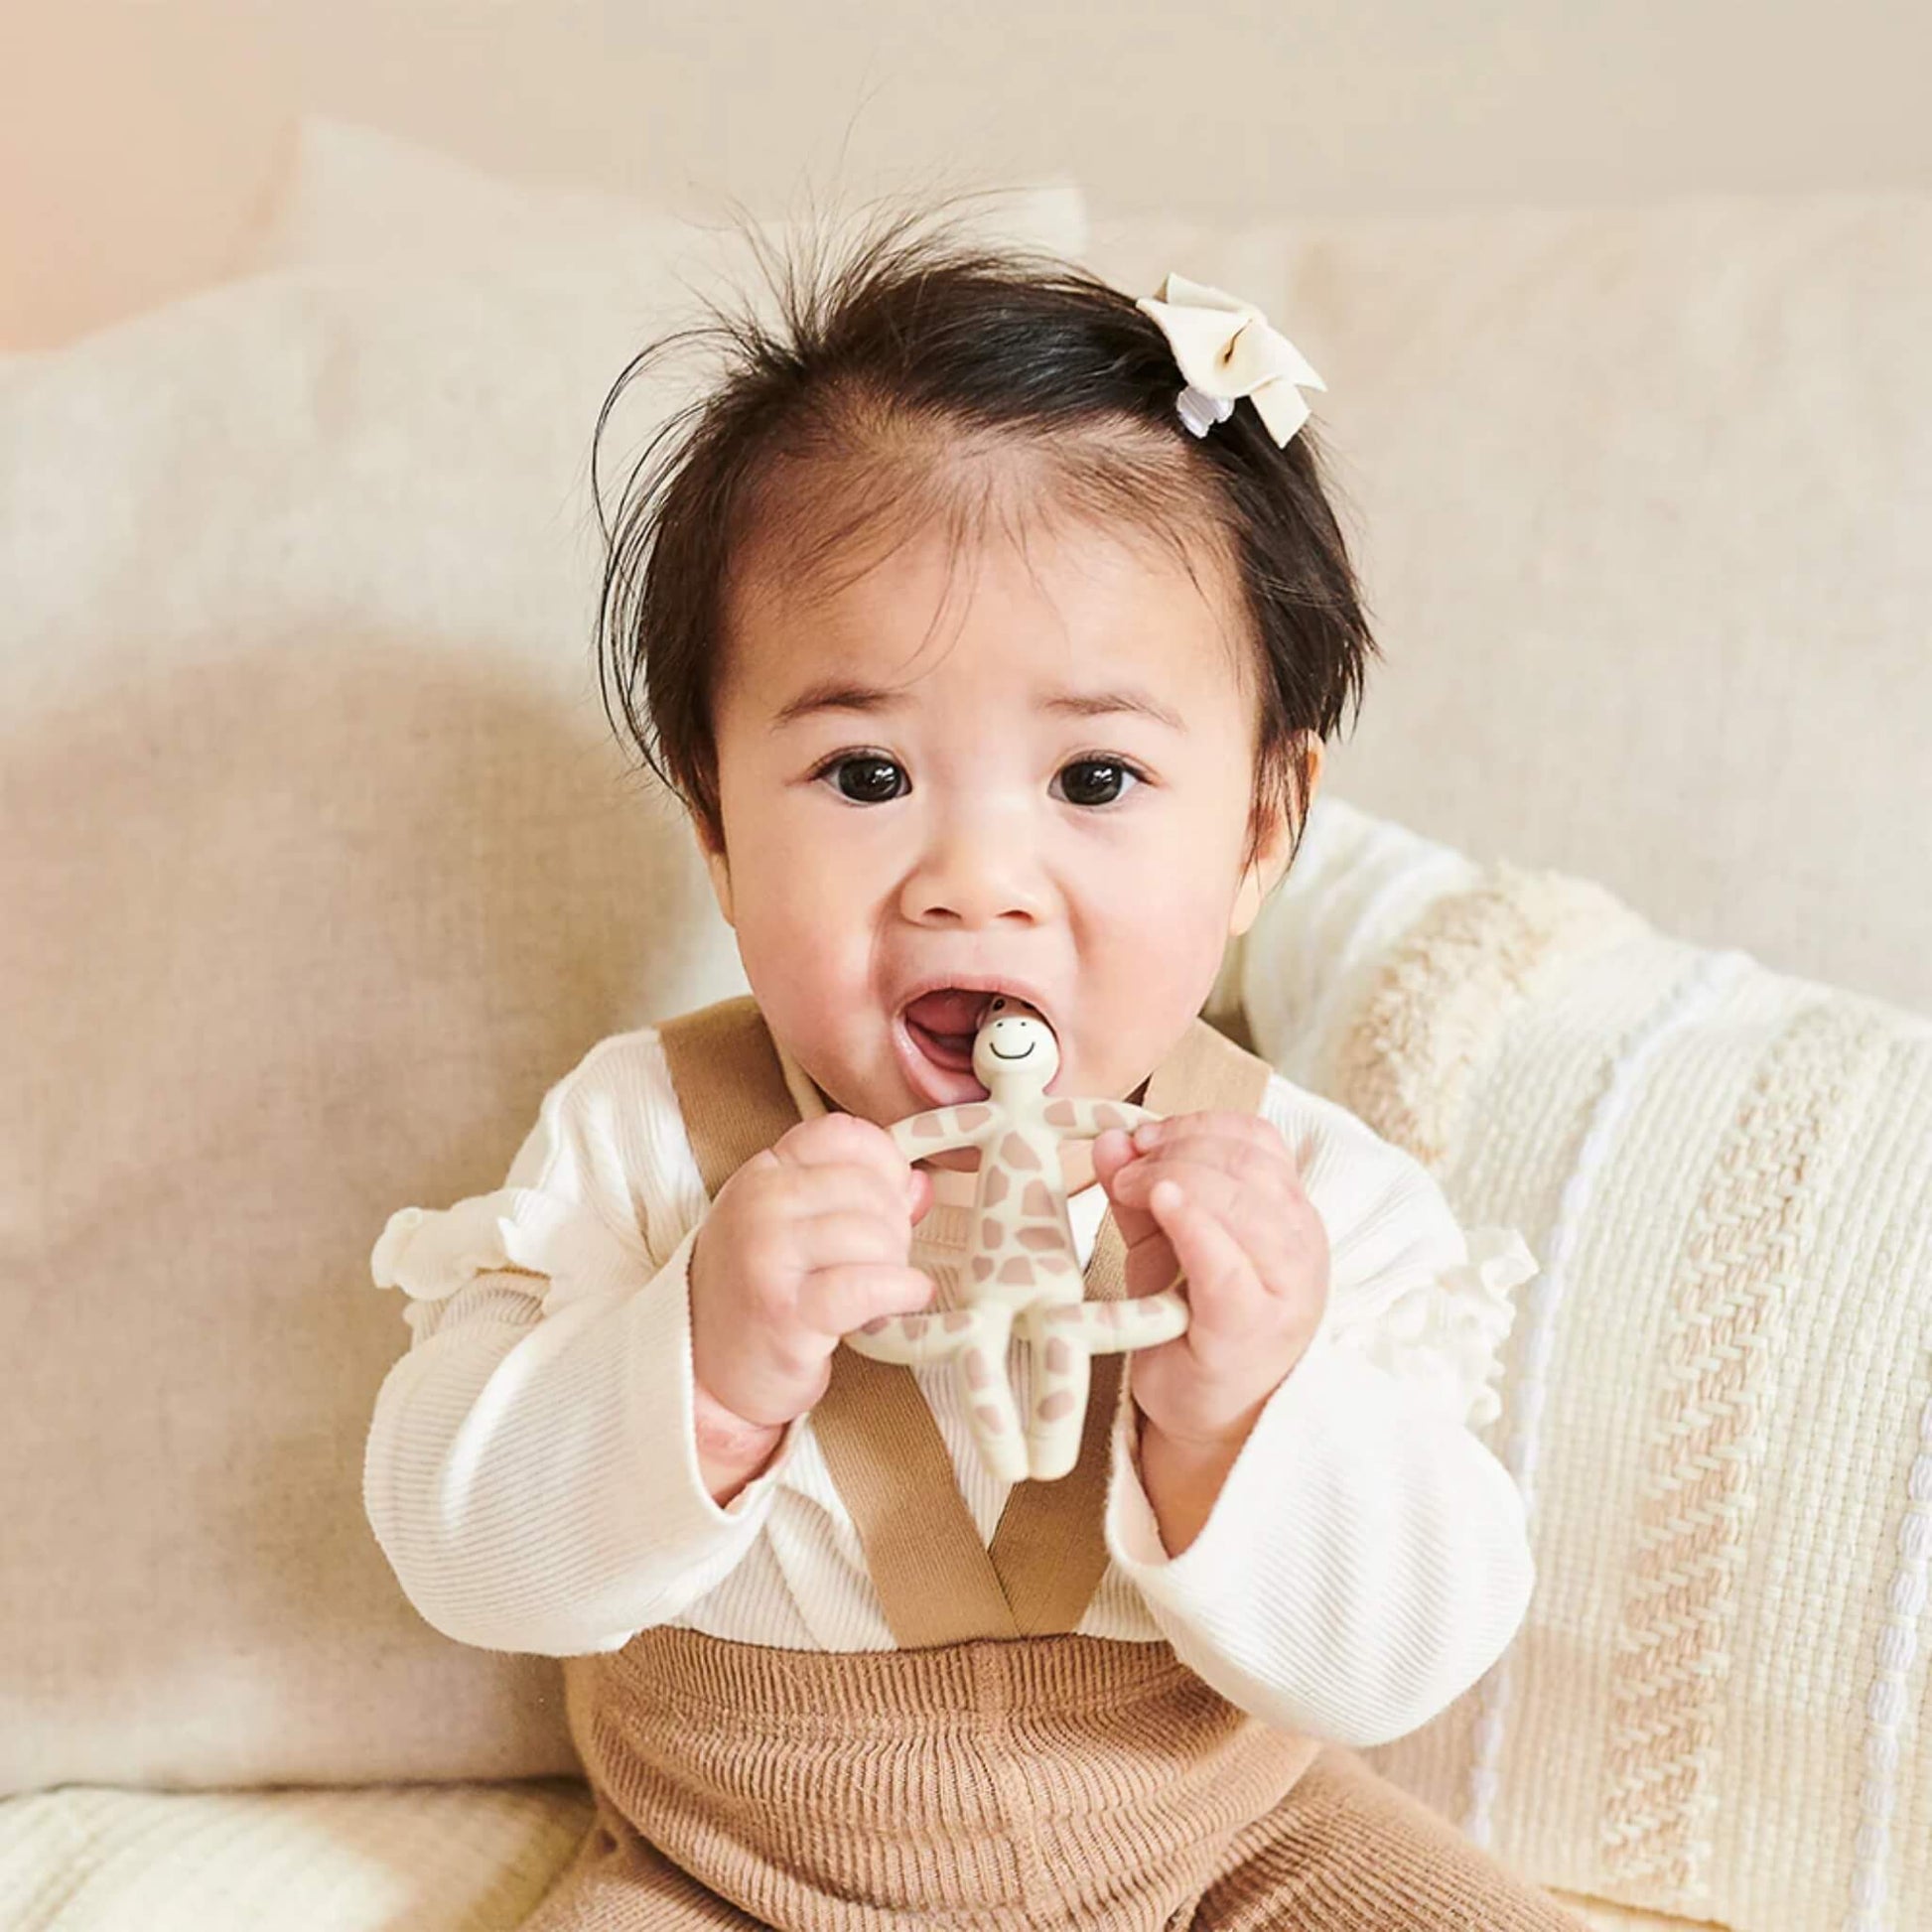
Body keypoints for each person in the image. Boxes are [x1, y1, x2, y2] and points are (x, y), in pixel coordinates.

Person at [361, 202, 1581, 1929]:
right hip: (735, 1865)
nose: (971, 877)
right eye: (866, 777)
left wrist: (1247, 1408)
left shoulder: (1300, 1201)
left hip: (1224, 1836)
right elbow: (459, 1540)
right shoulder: (646, 1138)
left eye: (1091, 782)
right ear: (714, 825)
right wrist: (698, 1364)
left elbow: (1406, 1653)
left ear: (1257, 826)